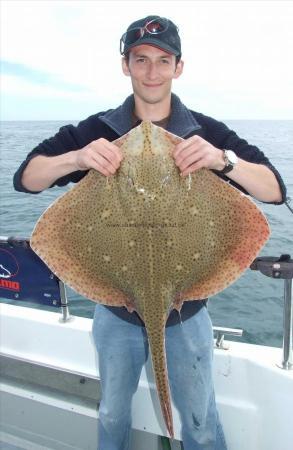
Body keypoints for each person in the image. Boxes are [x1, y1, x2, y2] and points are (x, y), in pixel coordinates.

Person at [14, 15, 286, 450]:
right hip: (115, 309)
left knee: (199, 421)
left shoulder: (206, 130)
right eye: (141, 60)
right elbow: (26, 178)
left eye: (163, 60)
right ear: (126, 65)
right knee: (112, 411)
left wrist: (222, 160)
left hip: (188, 311)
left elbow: (275, 191)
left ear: (179, 67)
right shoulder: (97, 129)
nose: (152, 71)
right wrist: (77, 158)